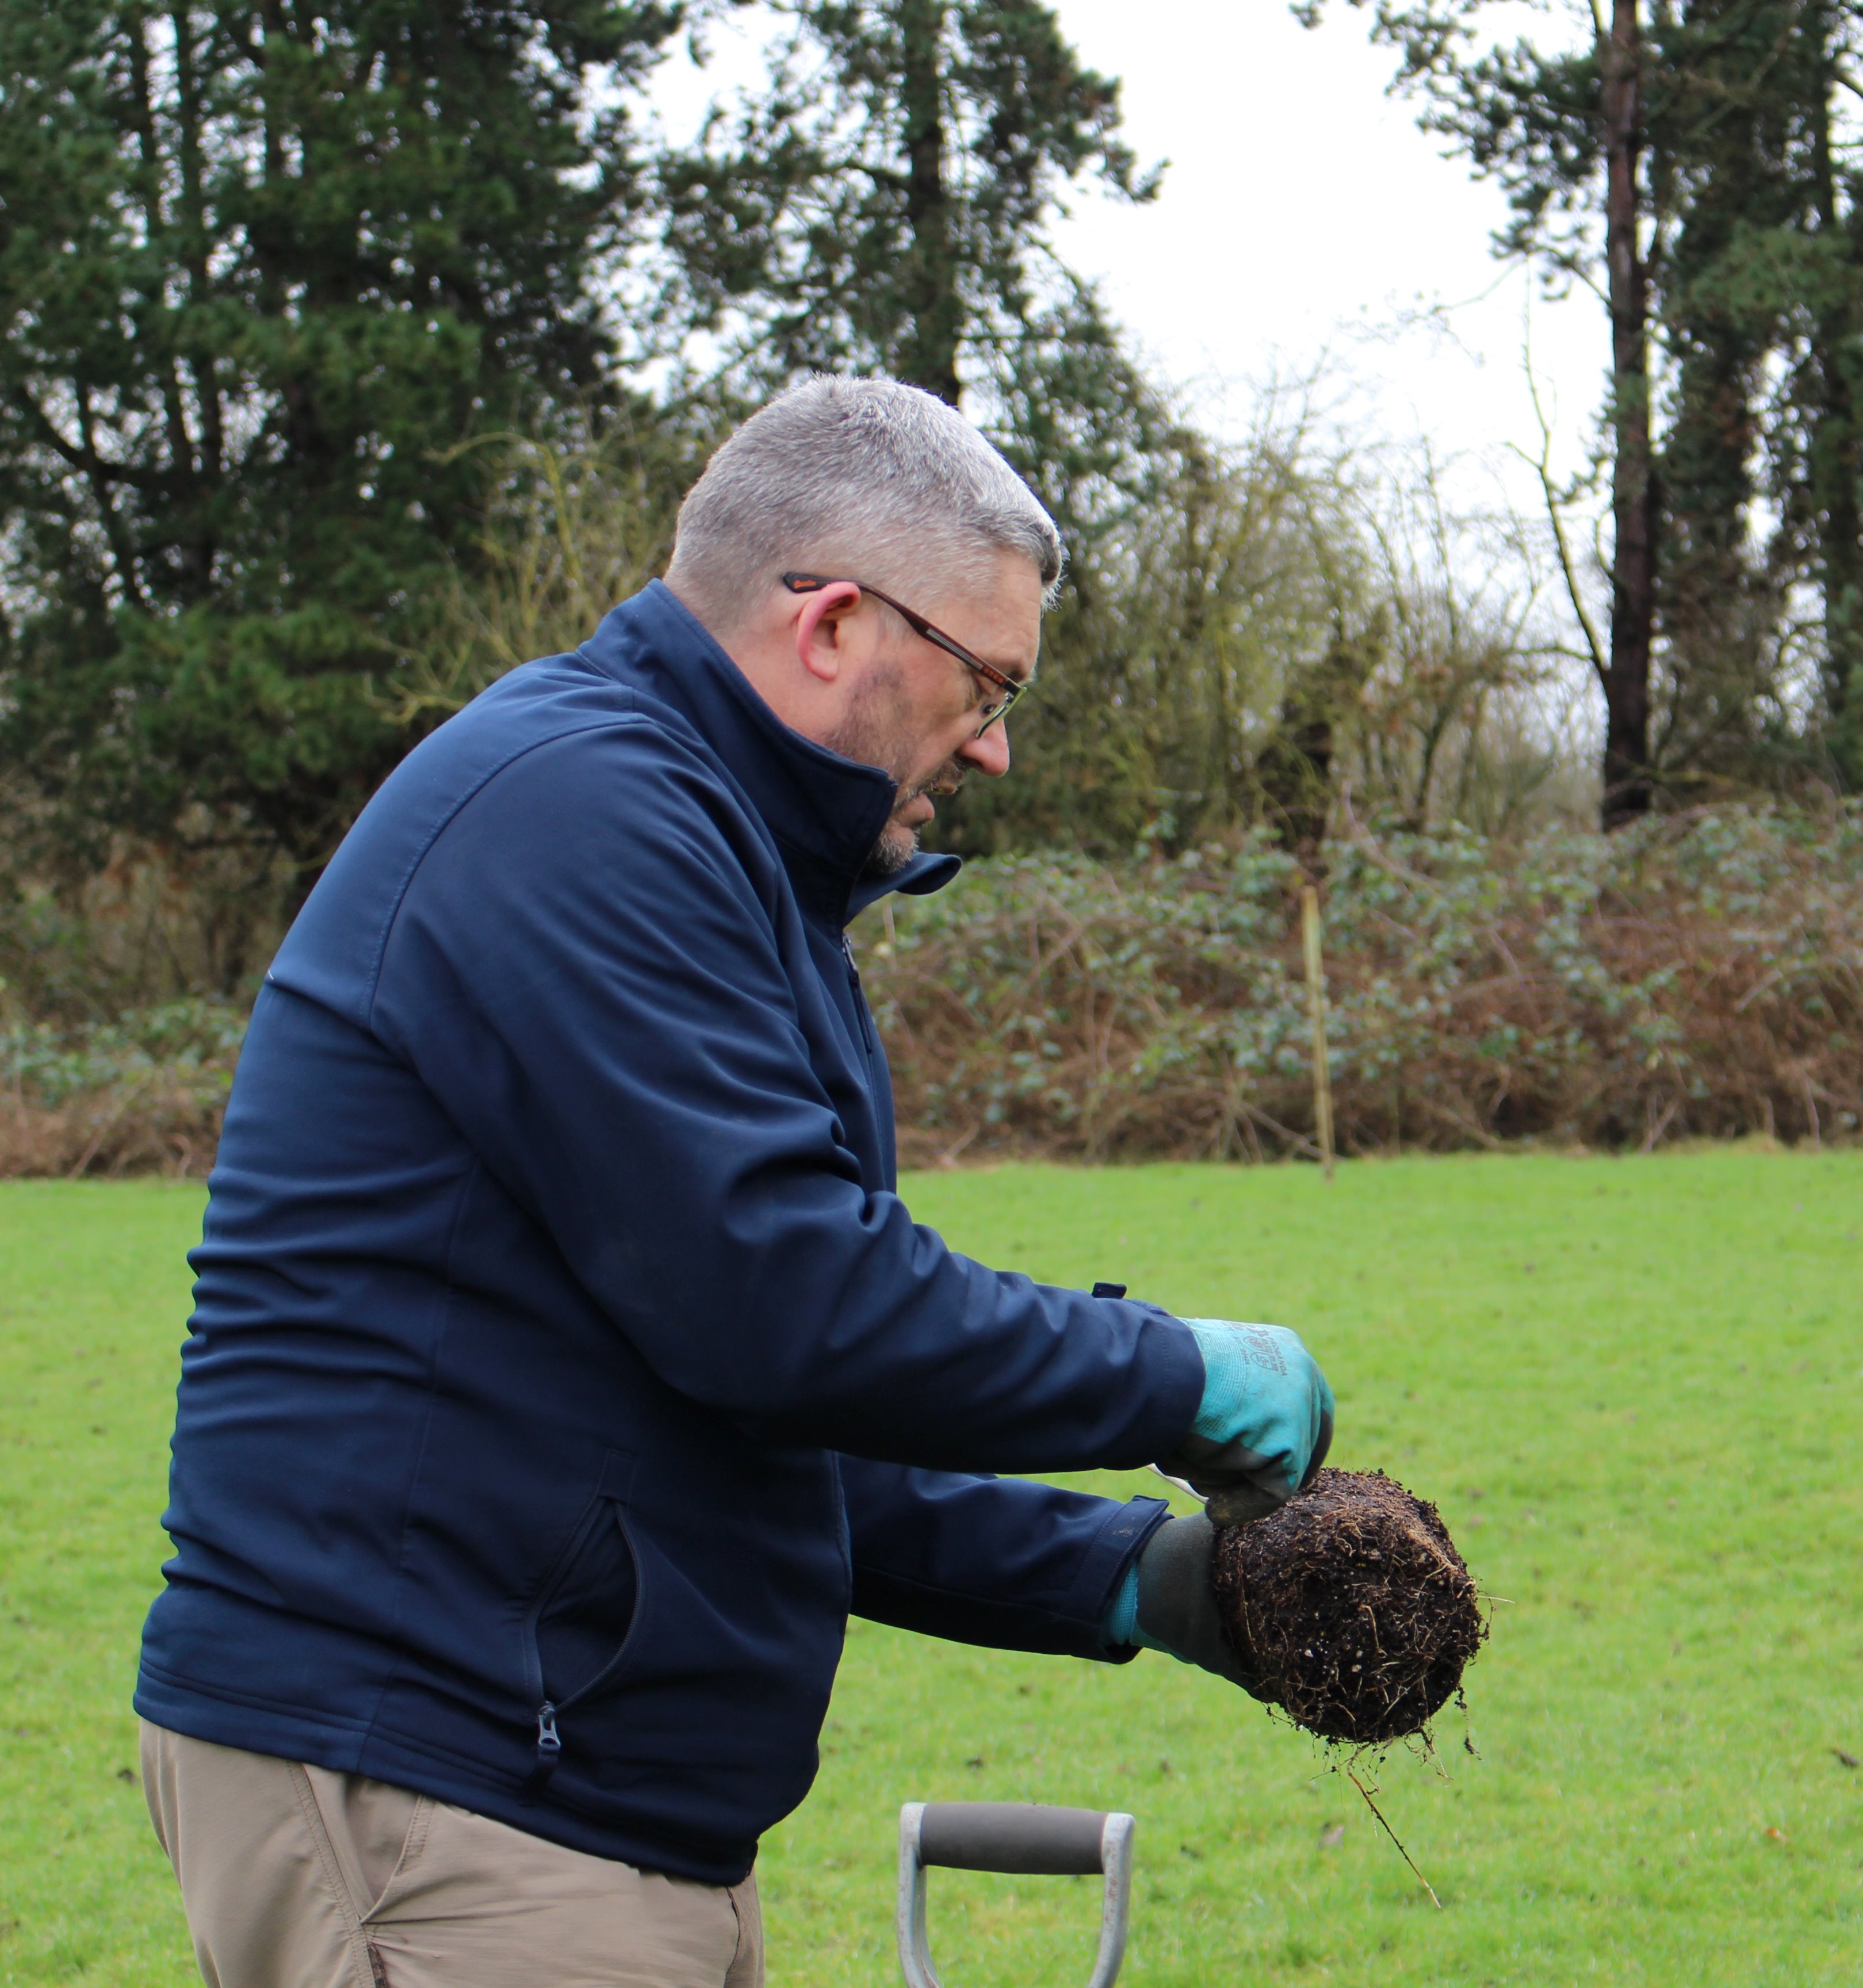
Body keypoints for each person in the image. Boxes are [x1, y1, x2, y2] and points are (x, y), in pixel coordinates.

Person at [135, 379, 1318, 1988]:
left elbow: (764, 1414)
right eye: (983, 682)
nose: (999, 742)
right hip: (442, 1787)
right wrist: (1175, 1376)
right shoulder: (578, 814)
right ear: (834, 624)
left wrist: (1132, 1579)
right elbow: (788, 1305)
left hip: (571, 1794)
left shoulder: (723, 857)